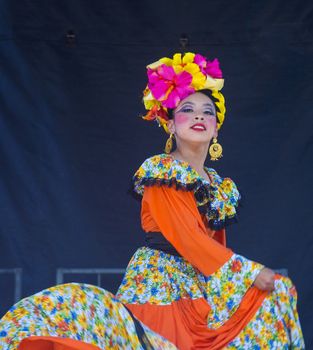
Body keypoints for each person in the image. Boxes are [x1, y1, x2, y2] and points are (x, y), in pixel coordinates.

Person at [0, 52, 304, 350]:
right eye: (187, 109)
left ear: (216, 128)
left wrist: (234, 286)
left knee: (274, 298)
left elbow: (216, 244)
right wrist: (248, 272)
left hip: (198, 282)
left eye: (208, 111)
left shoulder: (216, 184)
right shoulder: (162, 171)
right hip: (161, 284)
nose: (199, 115)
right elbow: (187, 237)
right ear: (170, 125)